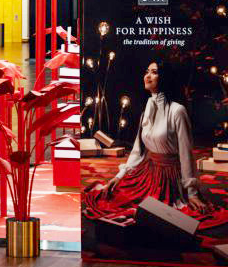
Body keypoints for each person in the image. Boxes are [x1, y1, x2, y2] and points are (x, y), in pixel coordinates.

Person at [83, 61, 209, 220]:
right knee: (115, 195)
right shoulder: (147, 108)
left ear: (164, 77)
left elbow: (186, 154)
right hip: (149, 171)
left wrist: (191, 193)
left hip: (170, 178)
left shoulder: (177, 111)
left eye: (154, 72)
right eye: (147, 71)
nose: (147, 76)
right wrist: (120, 175)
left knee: (159, 214)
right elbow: (138, 150)